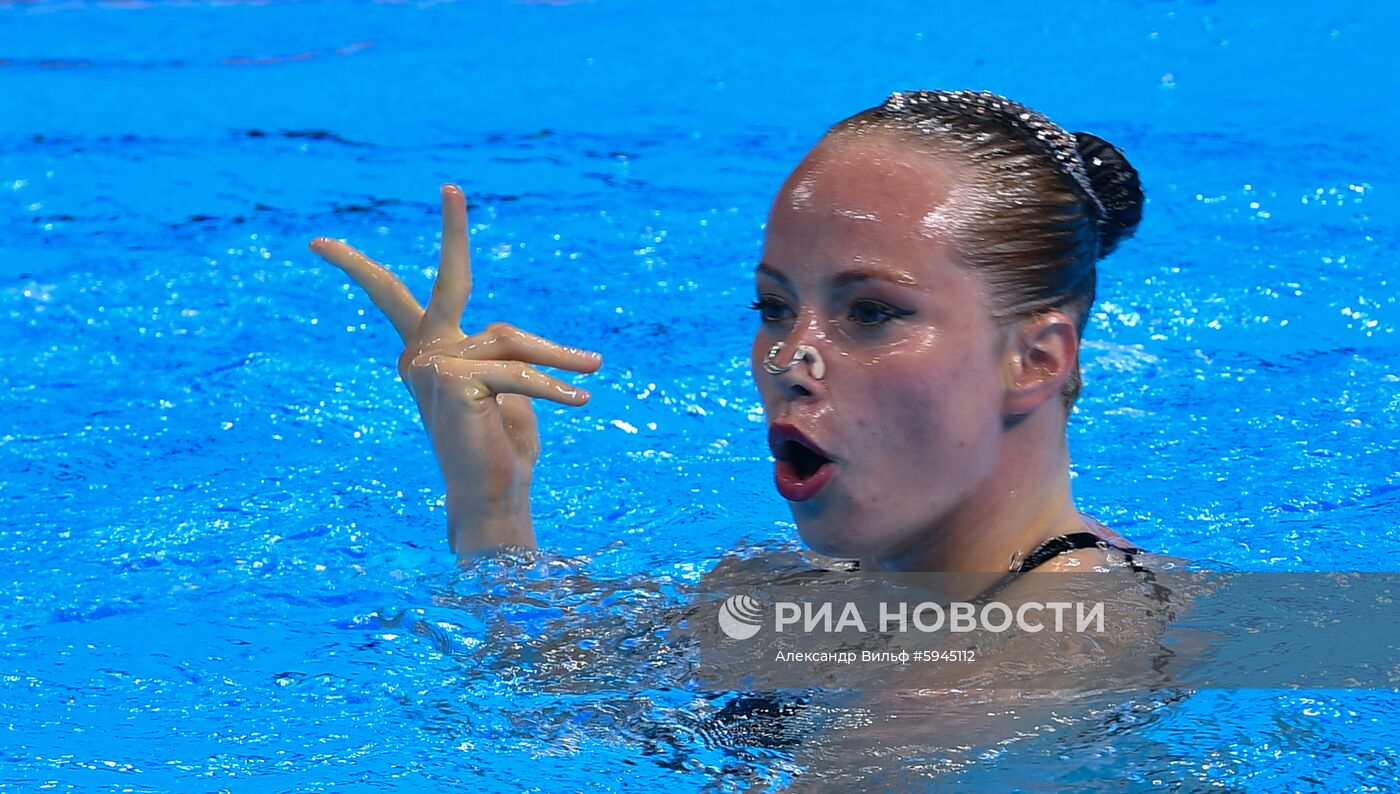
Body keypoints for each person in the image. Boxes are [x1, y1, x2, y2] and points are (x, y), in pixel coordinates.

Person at [309, 89, 1149, 588]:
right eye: (775, 307)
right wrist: (488, 504)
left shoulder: (1060, 640)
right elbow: (557, 693)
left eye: (872, 312)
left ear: (1035, 361)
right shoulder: (815, 592)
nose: (790, 358)